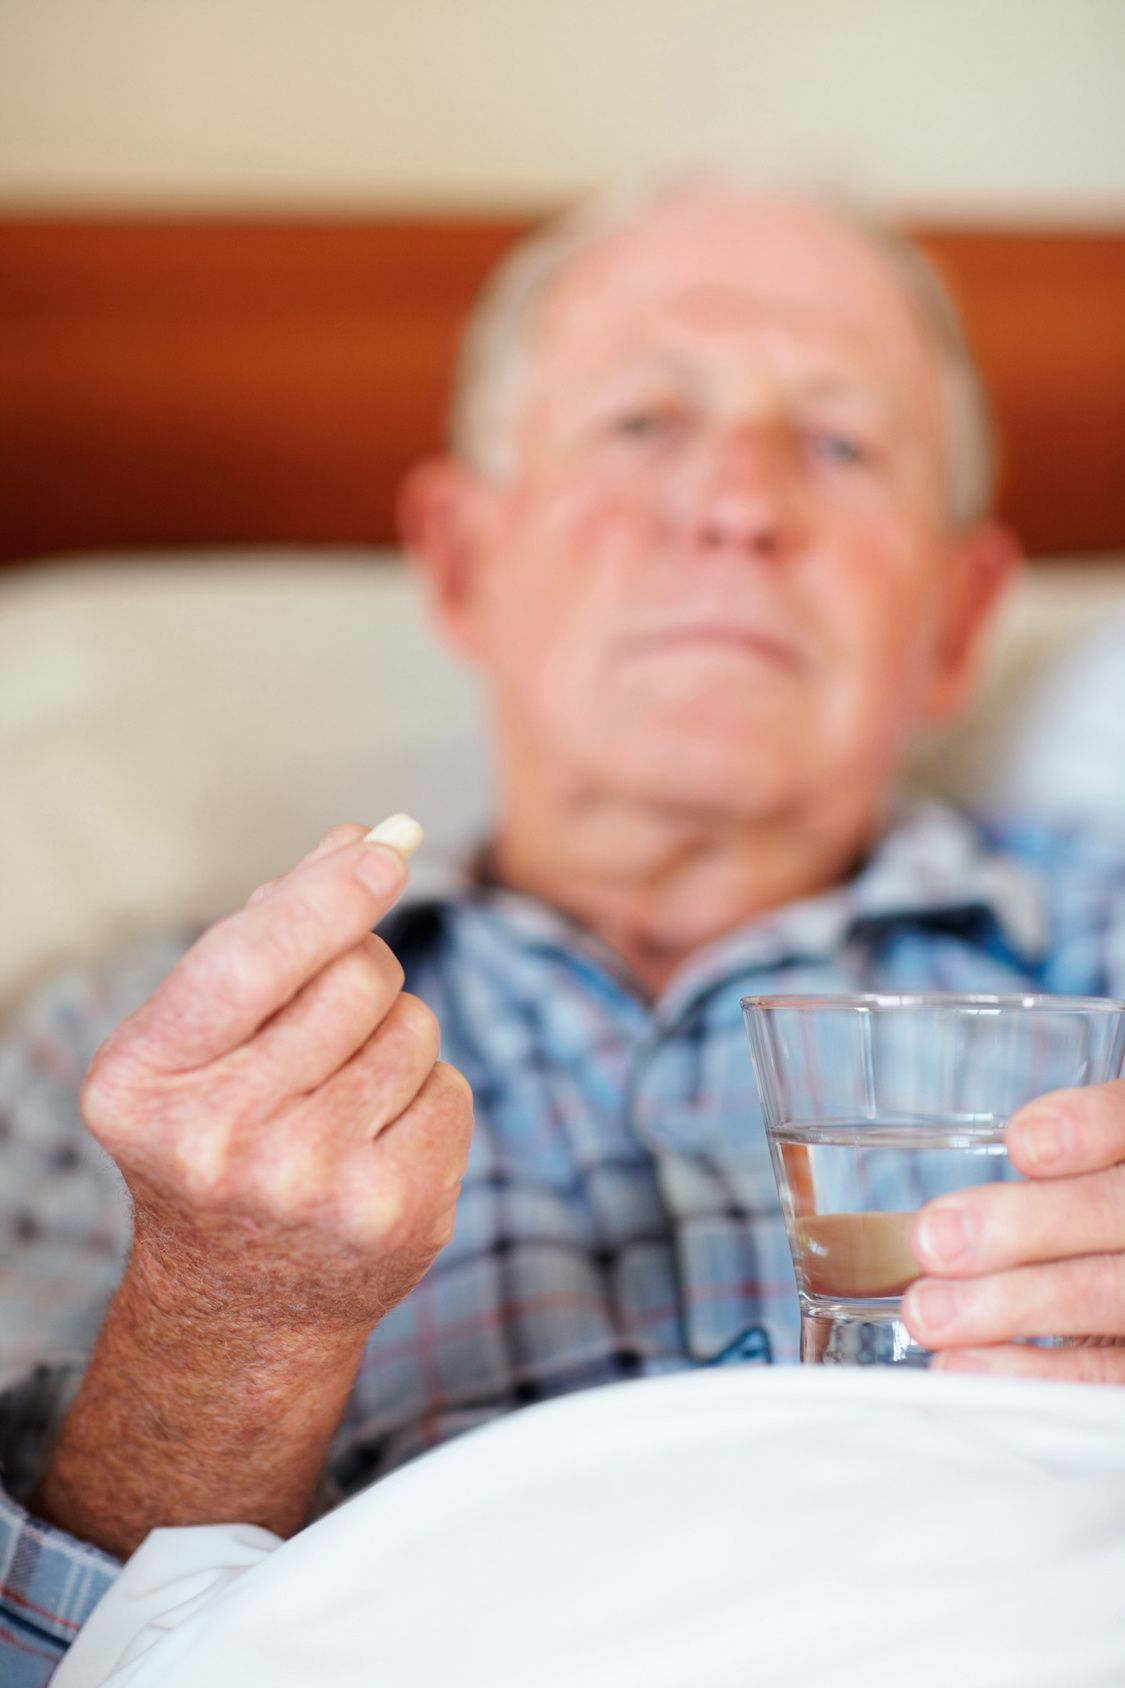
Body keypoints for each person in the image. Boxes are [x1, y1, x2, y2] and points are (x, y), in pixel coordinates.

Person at [1, 173, 1123, 1683]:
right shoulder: (140, 1063)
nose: (736, 505)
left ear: (960, 618)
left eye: (841, 442)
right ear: (464, 562)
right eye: (641, 424)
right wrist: (228, 1320)